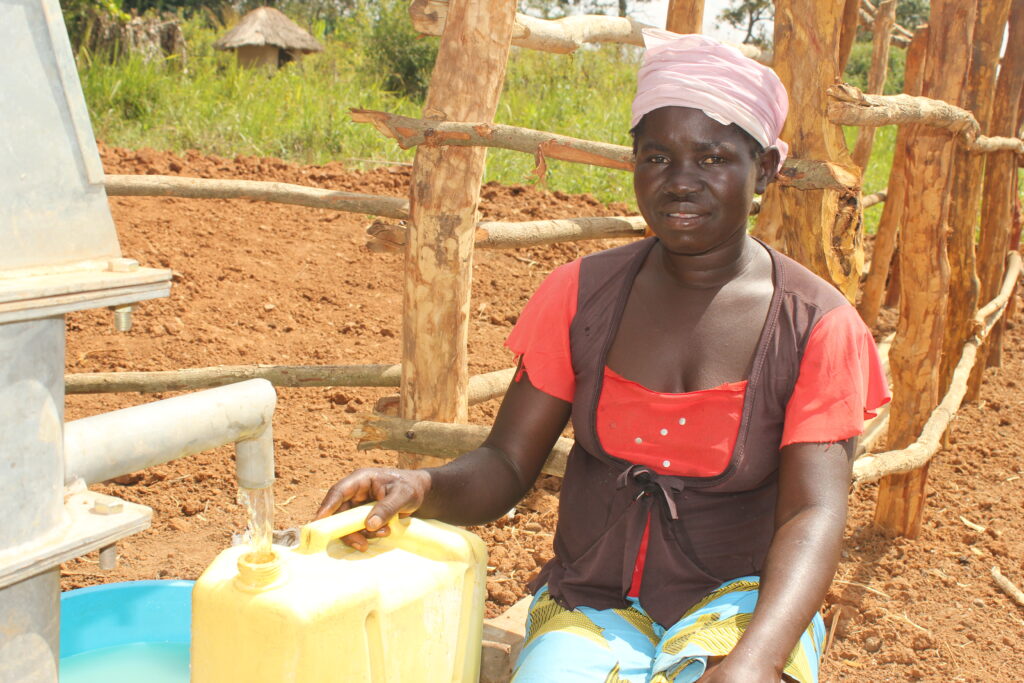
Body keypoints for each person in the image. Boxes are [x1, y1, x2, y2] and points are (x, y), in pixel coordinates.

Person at [317, 30, 890, 683]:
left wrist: (755, 660)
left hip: (746, 603)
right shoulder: (580, 296)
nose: (680, 182)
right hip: (594, 599)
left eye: (711, 159)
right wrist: (422, 485)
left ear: (764, 169)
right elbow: (506, 461)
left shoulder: (816, 325)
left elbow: (812, 513)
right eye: (656, 158)